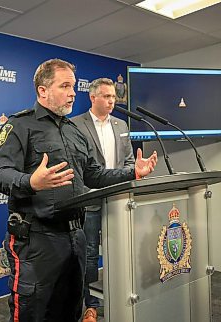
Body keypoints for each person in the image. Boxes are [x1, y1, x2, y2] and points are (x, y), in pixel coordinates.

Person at [0, 58, 157, 322]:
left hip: (75, 237)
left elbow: (93, 174)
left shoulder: (74, 131)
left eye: (73, 87)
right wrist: (31, 182)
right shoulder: (20, 125)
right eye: (64, 86)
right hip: (37, 240)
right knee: (33, 312)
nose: (72, 93)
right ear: (42, 91)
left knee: (69, 309)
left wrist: (133, 172)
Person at [71, 78, 134, 322]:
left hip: (117, 199)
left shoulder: (121, 124)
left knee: (119, 250)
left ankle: (120, 296)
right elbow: (78, 168)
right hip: (90, 200)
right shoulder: (75, 125)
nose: (111, 101)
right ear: (93, 97)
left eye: (113, 97)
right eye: (106, 96)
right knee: (88, 254)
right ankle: (90, 304)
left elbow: (128, 161)